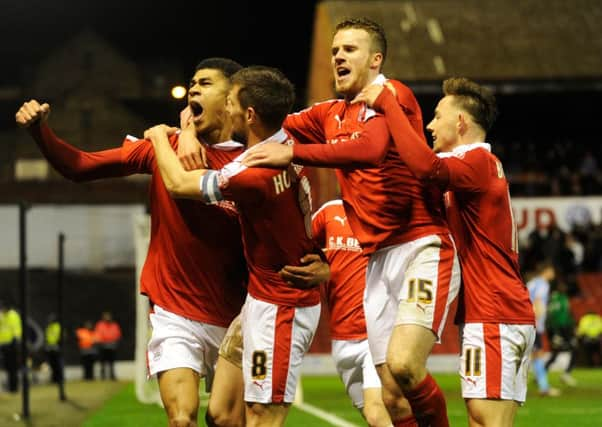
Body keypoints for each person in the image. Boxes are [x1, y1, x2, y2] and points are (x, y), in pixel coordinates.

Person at [16, 57, 327, 427]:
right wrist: (40, 133)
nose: (193, 88)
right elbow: (80, 166)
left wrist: (326, 261)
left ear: (234, 99)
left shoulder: (261, 159)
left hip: (241, 312)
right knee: (181, 419)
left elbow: (298, 222)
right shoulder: (166, 150)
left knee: (227, 421)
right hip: (175, 310)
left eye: (206, 83)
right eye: (192, 82)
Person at [236, 18, 459, 427]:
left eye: (350, 50)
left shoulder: (391, 94)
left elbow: (370, 150)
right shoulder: (330, 113)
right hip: (376, 259)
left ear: (376, 60)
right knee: (392, 397)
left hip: (420, 246)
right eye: (335, 49)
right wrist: (216, 127)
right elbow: (271, 124)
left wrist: (294, 154)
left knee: (406, 366)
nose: (338, 55)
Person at [147, 65, 325, 427]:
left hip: (282, 308)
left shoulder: (253, 172)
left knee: (261, 419)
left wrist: (159, 136)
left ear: (249, 114)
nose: (224, 109)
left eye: (229, 102)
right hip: (256, 302)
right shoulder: (283, 144)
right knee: (223, 416)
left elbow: (179, 183)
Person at [353, 76, 537, 425]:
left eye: (438, 115)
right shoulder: (471, 171)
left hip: (493, 312)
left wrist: (389, 106)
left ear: (461, 122)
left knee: (485, 419)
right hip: (498, 311)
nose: (430, 124)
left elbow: (427, 167)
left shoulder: (475, 163)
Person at [308, 199, 391, 426]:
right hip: (341, 339)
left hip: (375, 334)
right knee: (375, 417)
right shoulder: (329, 212)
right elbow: (300, 245)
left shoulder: (384, 214)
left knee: (376, 414)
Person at [527, 261, 560, 397]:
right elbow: (538, 302)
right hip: (533, 324)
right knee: (537, 354)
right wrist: (537, 323)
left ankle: (542, 385)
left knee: (533, 355)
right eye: (552, 270)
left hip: (526, 323)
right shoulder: (542, 284)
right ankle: (543, 387)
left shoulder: (532, 283)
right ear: (546, 270)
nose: (553, 273)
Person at [545, 280, 577, 386]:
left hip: (566, 329)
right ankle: (565, 374)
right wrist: (554, 333)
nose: (564, 287)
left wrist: (573, 327)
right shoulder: (555, 298)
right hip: (559, 329)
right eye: (562, 285)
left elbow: (568, 314)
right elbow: (551, 316)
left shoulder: (563, 297)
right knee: (559, 351)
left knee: (567, 350)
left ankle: (565, 374)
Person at [0, 301, 22, 392]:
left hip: (12, 345)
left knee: (13, 367)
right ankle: (11, 386)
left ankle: (14, 387)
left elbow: (16, 329)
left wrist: (15, 341)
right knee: (8, 367)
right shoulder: (3, 316)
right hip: (4, 345)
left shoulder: (13, 315)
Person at [94, 311, 122, 380]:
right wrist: (105, 340)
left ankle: (112, 376)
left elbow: (117, 335)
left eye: (108, 316)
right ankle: (102, 376)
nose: (107, 318)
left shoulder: (114, 325)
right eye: (106, 316)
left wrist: (110, 340)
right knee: (102, 362)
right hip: (102, 346)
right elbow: (98, 334)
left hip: (112, 347)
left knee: (111, 363)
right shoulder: (100, 325)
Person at [44, 313, 63, 385]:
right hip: (50, 348)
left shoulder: (58, 327)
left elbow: (60, 337)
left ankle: (60, 379)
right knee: (52, 365)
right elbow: (47, 337)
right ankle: (54, 379)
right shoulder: (49, 327)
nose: (50, 321)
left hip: (56, 348)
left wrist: (58, 344)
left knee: (58, 364)